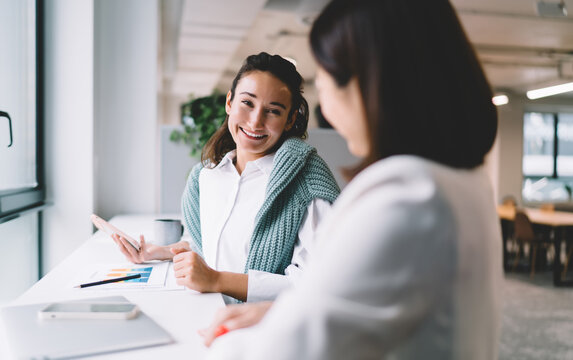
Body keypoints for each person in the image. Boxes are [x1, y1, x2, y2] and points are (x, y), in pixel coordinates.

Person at [200, 0, 503, 358]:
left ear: (373, 83)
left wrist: (213, 339)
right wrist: (281, 311)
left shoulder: (407, 199)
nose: (325, 106)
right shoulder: (462, 180)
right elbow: (350, 305)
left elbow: (294, 350)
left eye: (325, 80)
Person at [113, 52, 340, 303]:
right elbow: (214, 246)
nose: (255, 122)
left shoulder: (307, 181)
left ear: (290, 120)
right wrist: (161, 252)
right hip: (208, 319)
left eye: (273, 111)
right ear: (229, 102)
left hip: (264, 332)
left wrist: (216, 280)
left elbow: (322, 281)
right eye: (247, 103)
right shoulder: (206, 177)